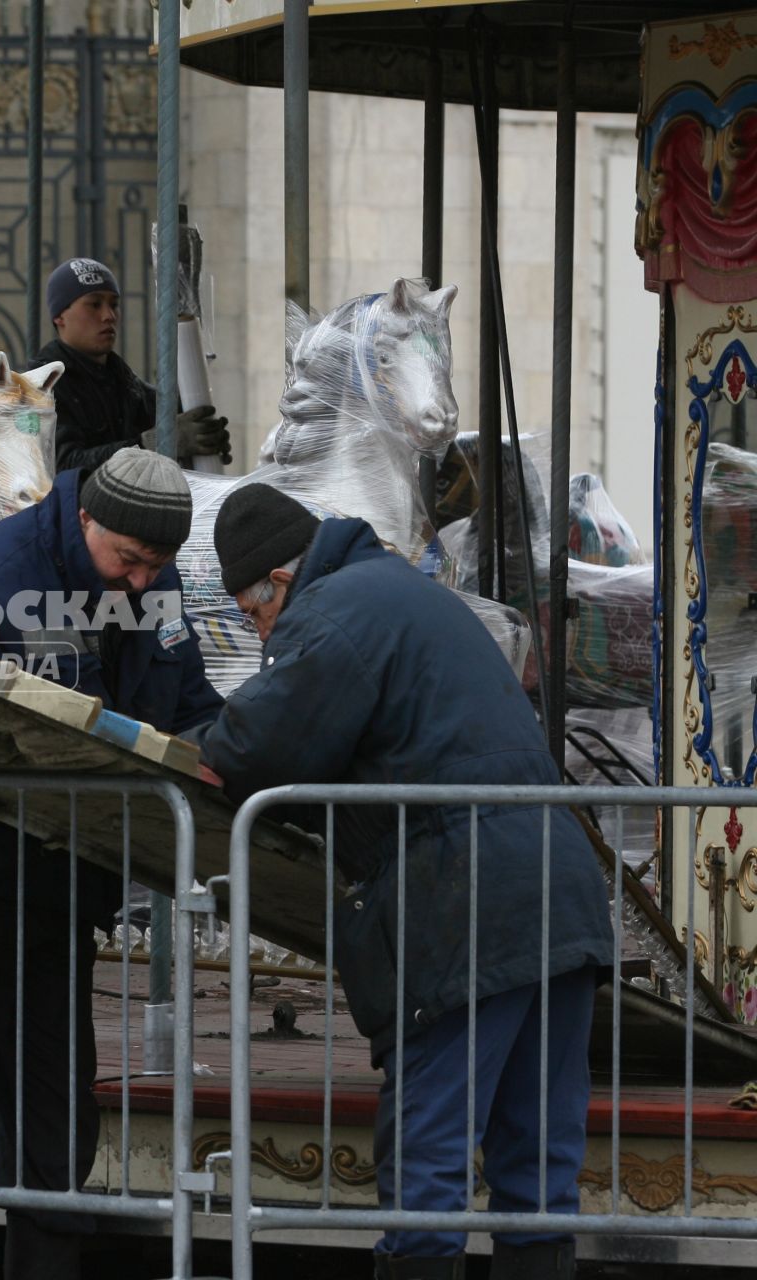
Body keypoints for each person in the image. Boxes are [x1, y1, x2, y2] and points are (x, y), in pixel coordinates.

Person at [199, 484, 613, 1280]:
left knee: (427, 1169)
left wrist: (182, 743)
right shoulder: (401, 589)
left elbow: (257, 747)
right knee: (537, 1174)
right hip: (556, 895)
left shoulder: (333, 611)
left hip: (467, 903)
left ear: (277, 584)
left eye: (253, 617)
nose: (260, 637)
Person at [0, 449, 224, 1279]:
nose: (140, 582)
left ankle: (47, 1252)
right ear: (87, 519)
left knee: (56, 1099)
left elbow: (192, 701)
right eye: (127, 560)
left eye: (156, 565)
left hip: (66, 877)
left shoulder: (153, 584)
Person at [29, 257, 231, 472]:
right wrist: (152, 444)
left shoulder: (129, 387)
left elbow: (175, 432)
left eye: (114, 305)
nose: (109, 316)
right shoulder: (39, 388)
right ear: (60, 316)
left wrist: (203, 436)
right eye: (94, 304)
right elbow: (61, 467)